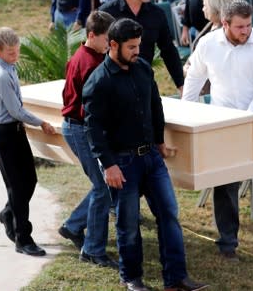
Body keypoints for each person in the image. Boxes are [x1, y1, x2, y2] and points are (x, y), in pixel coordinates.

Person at [82, 19, 207, 291]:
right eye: (131, 47)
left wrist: (160, 142)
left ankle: (176, 278)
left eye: (138, 45)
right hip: (122, 162)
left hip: (151, 157)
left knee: (169, 214)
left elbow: (155, 106)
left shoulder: (142, 68)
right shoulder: (98, 82)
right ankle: (131, 278)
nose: (137, 51)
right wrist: (109, 165)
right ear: (112, 45)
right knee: (127, 223)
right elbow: (94, 128)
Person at [182, 0, 253, 264]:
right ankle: (227, 243)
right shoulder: (207, 44)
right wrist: (188, 114)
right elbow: (194, 80)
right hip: (223, 124)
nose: (246, 31)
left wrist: (246, 121)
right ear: (224, 23)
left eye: (248, 25)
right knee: (226, 184)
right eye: (239, 27)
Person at [0, 27, 56, 256]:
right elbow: (15, 110)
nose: (15, 56)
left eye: (17, 51)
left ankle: (8, 213)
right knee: (17, 186)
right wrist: (41, 123)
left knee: (30, 180)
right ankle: (22, 238)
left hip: (16, 132)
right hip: (4, 134)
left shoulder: (9, 67)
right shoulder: (2, 75)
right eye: (10, 53)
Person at [59, 10, 117, 268]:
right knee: (103, 188)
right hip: (80, 129)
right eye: (107, 40)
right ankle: (92, 248)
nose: (110, 45)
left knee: (102, 187)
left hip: (76, 126)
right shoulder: (91, 63)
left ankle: (73, 227)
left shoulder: (82, 56)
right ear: (91, 36)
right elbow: (91, 108)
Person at [100, 0, 185, 91]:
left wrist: (181, 85)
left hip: (144, 84)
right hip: (112, 85)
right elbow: (96, 50)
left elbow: (168, 50)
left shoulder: (157, 14)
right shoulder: (108, 12)